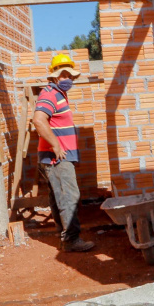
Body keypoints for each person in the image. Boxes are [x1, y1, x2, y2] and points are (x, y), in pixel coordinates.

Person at [32, 53, 94, 253]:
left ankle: (66, 239)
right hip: (56, 157)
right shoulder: (50, 94)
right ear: (54, 76)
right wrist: (57, 147)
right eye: (63, 74)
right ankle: (71, 240)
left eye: (70, 75)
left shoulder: (58, 93)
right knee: (69, 196)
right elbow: (39, 120)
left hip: (57, 156)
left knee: (59, 196)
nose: (67, 78)